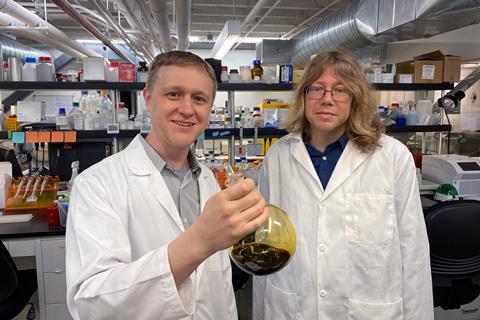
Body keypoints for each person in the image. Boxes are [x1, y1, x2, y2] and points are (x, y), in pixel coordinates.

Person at [66, 51, 269, 320]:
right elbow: (92, 304)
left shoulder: (208, 180)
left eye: (199, 98)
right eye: (174, 94)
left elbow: (220, 289)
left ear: (209, 108)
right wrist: (200, 241)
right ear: (148, 99)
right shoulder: (96, 185)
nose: (187, 109)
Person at [253, 50, 433, 319]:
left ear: (355, 98)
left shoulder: (393, 157)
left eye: (340, 90)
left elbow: (414, 251)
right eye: (317, 89)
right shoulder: (279, 156)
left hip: (369, 308)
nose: (327, 99)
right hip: (293, 306)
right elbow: (265, 245)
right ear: (304, 96)